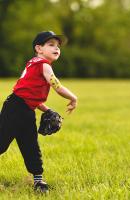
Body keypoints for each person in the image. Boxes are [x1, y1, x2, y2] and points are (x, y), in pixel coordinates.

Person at [0, 31, 77, 193]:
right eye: (51, 44)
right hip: (15, 108)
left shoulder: (34, 64)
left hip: (24, 109)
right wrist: (73, 97)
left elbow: (30, 96)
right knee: (2, 142)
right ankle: (38, 180)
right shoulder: (43, 64)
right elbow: (56, 85)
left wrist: (47, 109)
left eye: (58, 45)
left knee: (30, 144)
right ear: (39, 48)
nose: (56, 48)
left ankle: (38, 180)